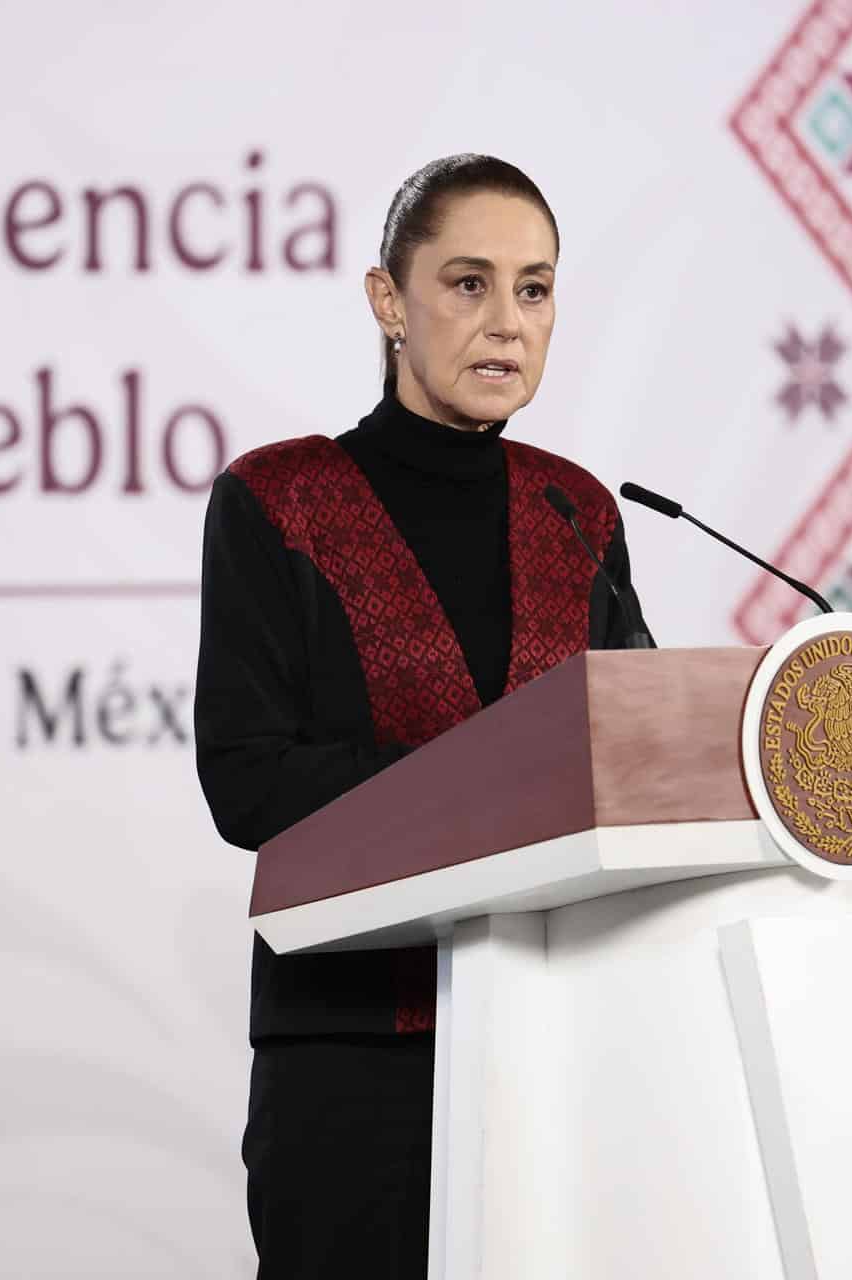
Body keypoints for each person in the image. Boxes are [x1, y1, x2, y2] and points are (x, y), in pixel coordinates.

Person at [194, 153, 652, 1278]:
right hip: (354, 1061)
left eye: (535, 290)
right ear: (388, 300)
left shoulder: (577, 510)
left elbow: (641, 765)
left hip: (562, 1047)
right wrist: (494, 782)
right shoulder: (277, 500)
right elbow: (248, 779)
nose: (507, 323)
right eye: (468, 283)